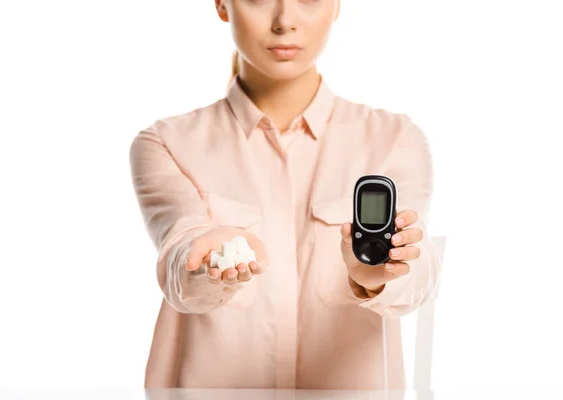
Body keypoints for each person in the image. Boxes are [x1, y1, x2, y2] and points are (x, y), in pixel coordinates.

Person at [129, 0, 442, 390]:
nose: (284, 21)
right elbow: (179, 258)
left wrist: (378, 275)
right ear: (223, 5)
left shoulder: (394, 139)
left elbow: (421, 269)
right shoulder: (167, 143)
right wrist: (204, 258)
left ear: (337, 5)